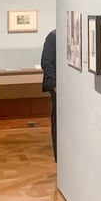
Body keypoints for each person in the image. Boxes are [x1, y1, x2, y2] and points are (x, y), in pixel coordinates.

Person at [41, 29, 57, 161]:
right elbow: (46, 62)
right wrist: (54, 84)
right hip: (57, 87)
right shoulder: (53, 36)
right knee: (57, 119)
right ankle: (58, 154)